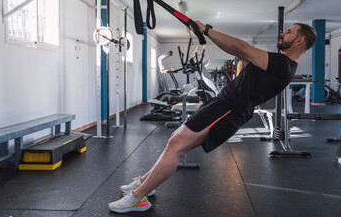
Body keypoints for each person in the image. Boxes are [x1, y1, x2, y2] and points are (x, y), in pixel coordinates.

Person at [108, 20, 317, 213]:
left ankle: (138, 197)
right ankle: (145, 184)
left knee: (176, 144)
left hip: (229, 109)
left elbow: (242, 48)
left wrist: (207, 30)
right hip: (223, 104)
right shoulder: (279, 63)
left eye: (288, 32)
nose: (282, 33)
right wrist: (206, 33)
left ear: (299, 40)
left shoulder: (283, 64)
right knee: (175, 144)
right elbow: (241, 53)